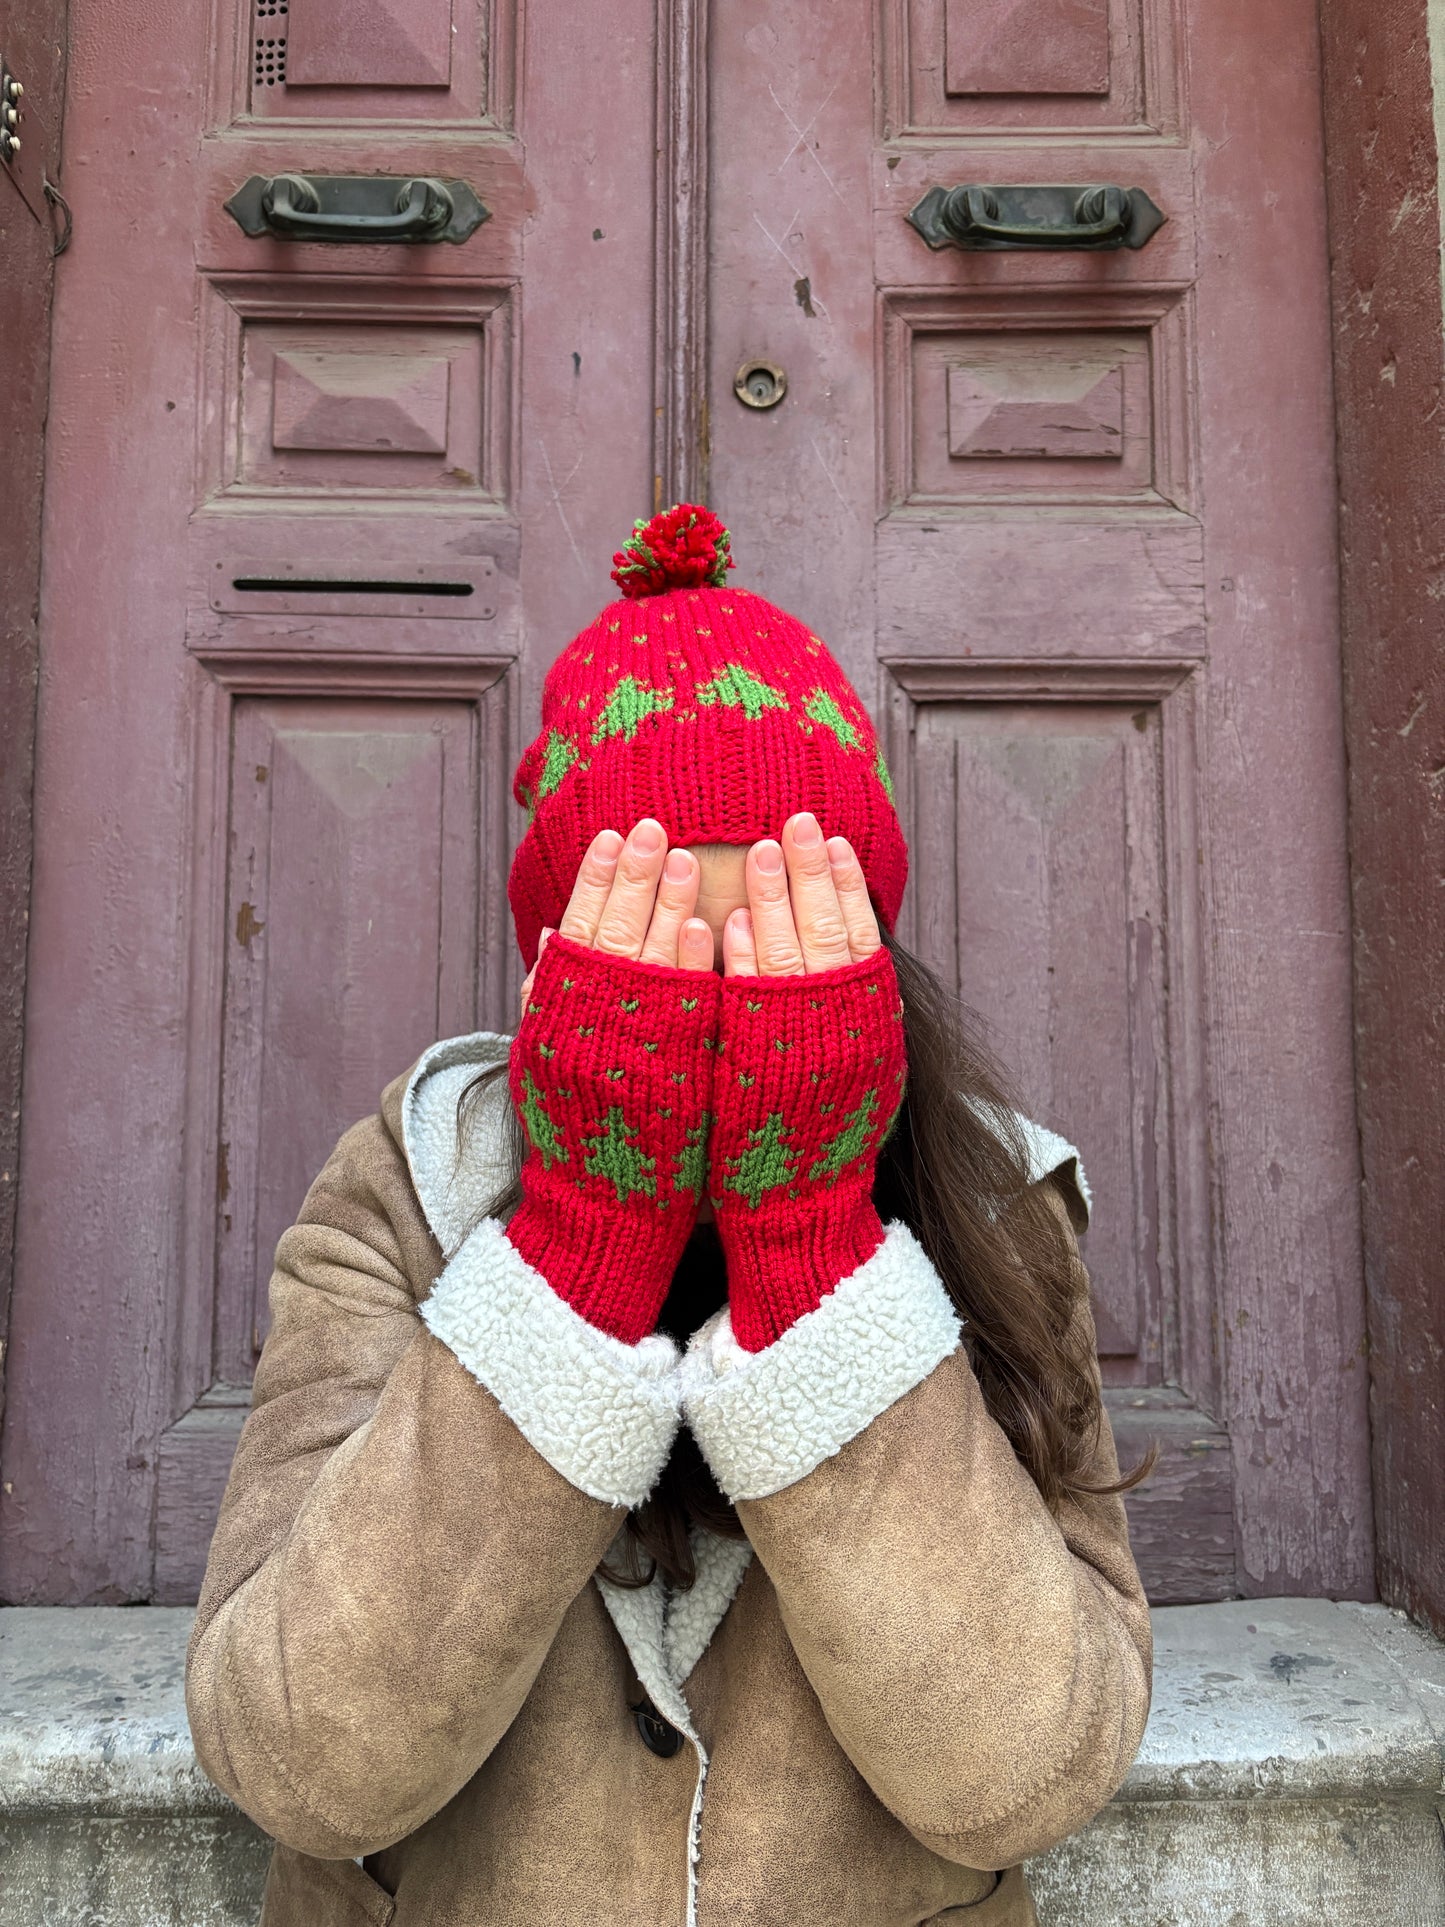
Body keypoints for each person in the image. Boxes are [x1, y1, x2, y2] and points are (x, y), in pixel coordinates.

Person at [185, 505, 1153, 1926]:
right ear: (557, 976)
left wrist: (814, 1259)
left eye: (772, 961)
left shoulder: (993, 1209)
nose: (710, 1029)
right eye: (652, 961)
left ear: (859, 961)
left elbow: (1020, 1778)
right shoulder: (405, 1190)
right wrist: (576, 1254)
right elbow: (305, 1768)